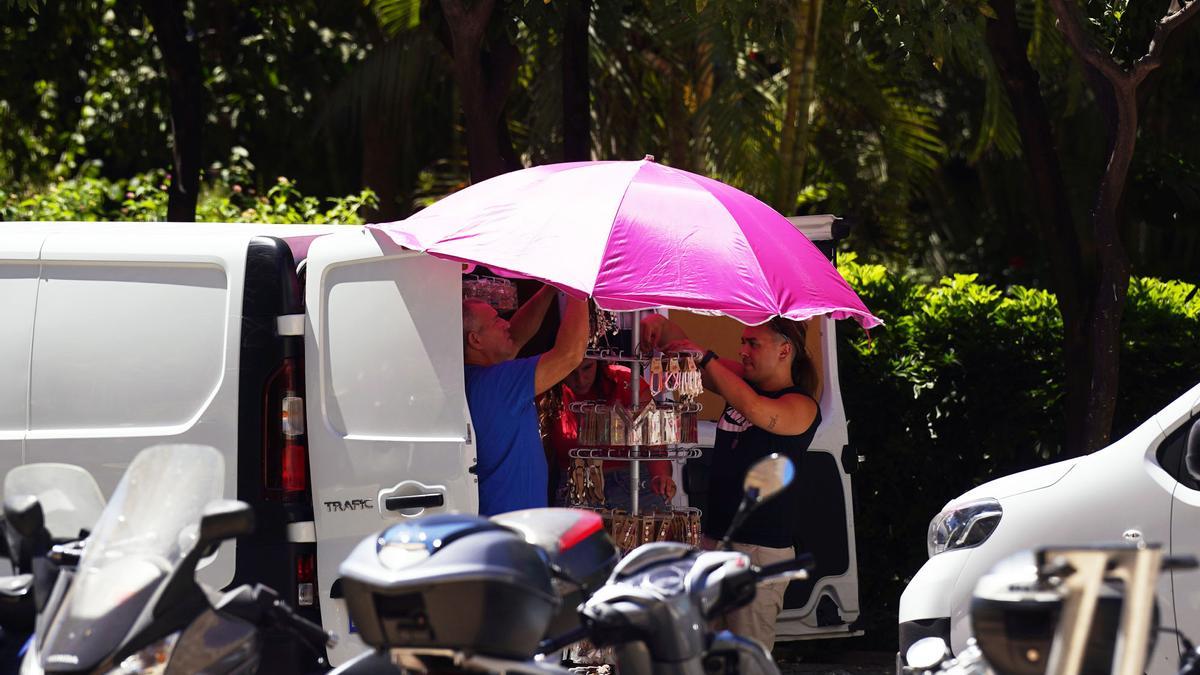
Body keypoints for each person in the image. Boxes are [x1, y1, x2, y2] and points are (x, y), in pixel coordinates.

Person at [642, 313, 823, 651]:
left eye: (752, 343)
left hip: (759, 554)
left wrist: (706, 359)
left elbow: (753, 407)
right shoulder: (744, 382)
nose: (742, 350)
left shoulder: (800, 405)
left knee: (745, 660)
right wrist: (658, 322)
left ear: (785, 351)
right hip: (717, 544)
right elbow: (677, 340)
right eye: (742, 341)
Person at [463, 284, 589, 516]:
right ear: (476, 341)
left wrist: (550, 289)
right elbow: (570, 354)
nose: (506, 323)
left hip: (501, 520)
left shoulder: (476, 378)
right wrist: (577, 288)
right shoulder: (498, 382)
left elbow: (517, 335)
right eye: (496, 320)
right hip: (513, 527)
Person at [543, 358, 674, 510]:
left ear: (598, 362)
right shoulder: (548, 390)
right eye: (571, 370)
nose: (580, 379)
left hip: (634, 485)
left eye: (587, 368)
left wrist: (660, 476)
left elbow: (655, 442)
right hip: (577, 487)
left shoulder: (626, 381)